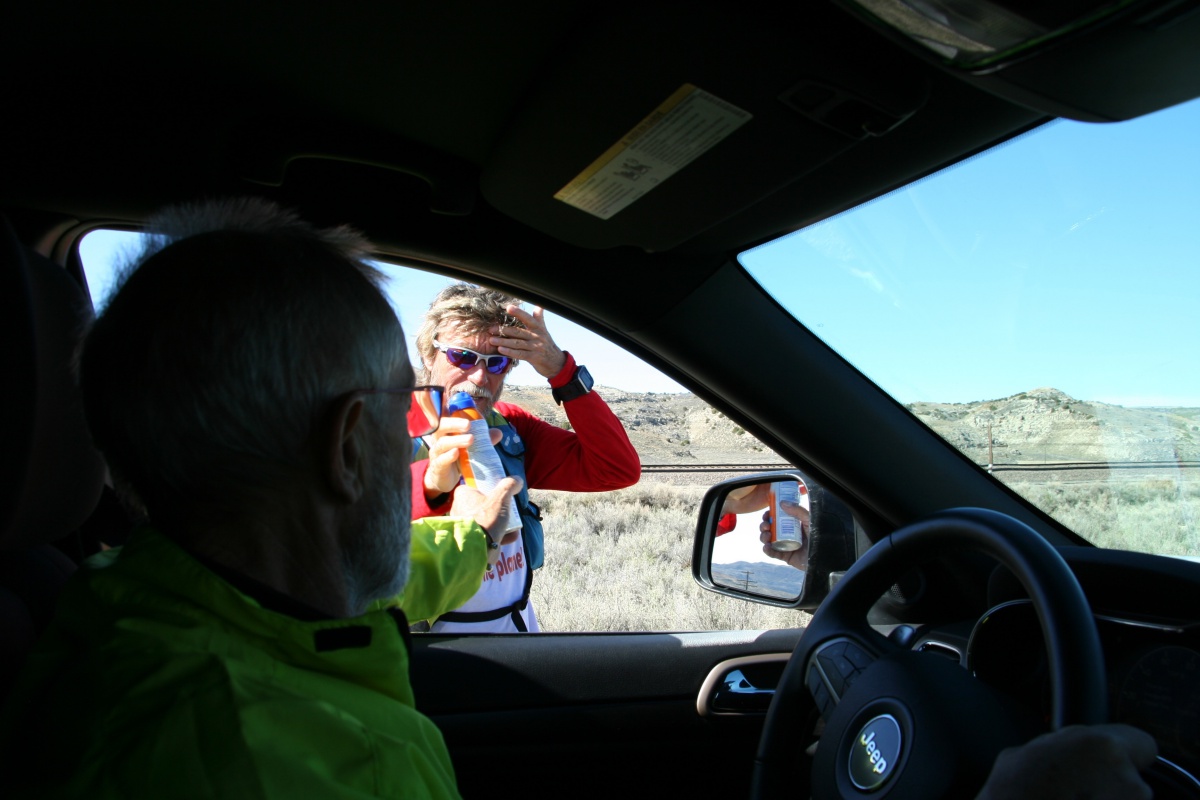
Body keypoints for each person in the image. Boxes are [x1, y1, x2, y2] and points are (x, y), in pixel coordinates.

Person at [0, 198, 519, 798]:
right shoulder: (294, 765)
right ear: (347, 445)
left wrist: (472, 535)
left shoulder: (137, 596)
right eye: (400, 399)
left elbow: (367, 585)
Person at [410, 283, 641, 632]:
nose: (480, 376)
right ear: (430, 354)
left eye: (497, 362)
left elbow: (616, 469)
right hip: (435, 652)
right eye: (462, 357)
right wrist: (431, 488)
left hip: (519, 637)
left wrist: (561, 371)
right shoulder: (386, 432)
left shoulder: (509, 428)